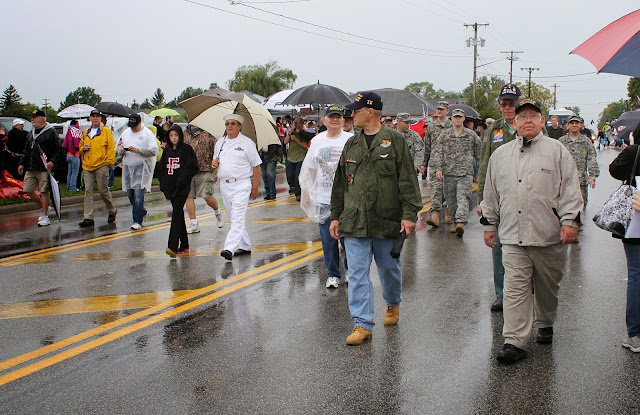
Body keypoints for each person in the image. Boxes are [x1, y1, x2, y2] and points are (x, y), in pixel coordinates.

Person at [480, 98, 583, 364]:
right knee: (514, 288)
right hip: (512, 236)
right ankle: (514, 341)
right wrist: (489, 224)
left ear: (541, 121)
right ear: (514, 123)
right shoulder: (500, 155)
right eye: (523, 116)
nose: (528, 120)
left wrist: (570, 221)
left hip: (548, 235)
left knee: (548, 288)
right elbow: (491, 193)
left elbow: (571, 189)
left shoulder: (557, 151)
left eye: (533, 116)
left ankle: (545, 321)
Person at [329, 91, 423, 345]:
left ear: (370, 112)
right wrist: (336, 216)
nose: (351, 115)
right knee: (357, 273)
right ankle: (362, 323)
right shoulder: (352, 144)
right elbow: (340, 184)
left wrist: (409, 215)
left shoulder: (395, 141)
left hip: (386, 219)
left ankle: (392, 302)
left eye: (356, 111)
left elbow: (407, 180)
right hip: (355, 220)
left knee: (389, 270)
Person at [476, 83, 522, 312]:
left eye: (511, 103)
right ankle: (502, 294)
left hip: (527, 195)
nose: (507, 108)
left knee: (527, 246)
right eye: (503, 104)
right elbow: (485, 164)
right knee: (499, 247)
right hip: (501, 197)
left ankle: (526, 292)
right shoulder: (494, 130)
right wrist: (482, 201)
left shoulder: (529, 125)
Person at [299, 105, 353, 289]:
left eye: (338, 117)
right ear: (324, 120)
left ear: (343, 120)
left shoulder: (350, 140)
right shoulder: (317, 141)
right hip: (323, 198)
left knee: (348, 239)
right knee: (328, 240)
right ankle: (333, 274)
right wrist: (307, 194)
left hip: (347, 198)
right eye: (331, 117)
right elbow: (310, 169)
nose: (335, 120)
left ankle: (350, 271)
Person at [213, 114, 261, 260]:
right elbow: (216, 163)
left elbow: (256, 166)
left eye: (233, 123)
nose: (229, 126)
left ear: (239, 126)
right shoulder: (220, 143)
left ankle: (229, 248)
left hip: (241, 184)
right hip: (225, 185)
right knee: (234, 217)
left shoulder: (247, 143)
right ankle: (245, 245)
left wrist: (255, 187)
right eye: (227, 123)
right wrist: (214, 164)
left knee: (237, 217)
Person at [609, 126, 640, 352]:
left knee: (636, 275)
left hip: (635, 223)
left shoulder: (634, 151)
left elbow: (614, 170)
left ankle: (635, 333)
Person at [432, 108, 482, 236]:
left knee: (463, 197)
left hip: (465, 172)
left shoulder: (471, 135)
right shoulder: (445, 135)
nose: (458, 119)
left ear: (464, 118)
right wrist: (438, 169)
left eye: (460, 117)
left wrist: (479, 172)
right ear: (452, 118)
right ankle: (455, 221)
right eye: (456, 117)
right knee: (451, 200)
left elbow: (479, 154)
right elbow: (438, 152)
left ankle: (461, 222)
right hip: (449, 172)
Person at [159, 125, 199, 257]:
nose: (174, 138)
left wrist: (182, 179)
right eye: (171, 136)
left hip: (182, 188)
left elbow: (193, 167)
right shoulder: (167, 150)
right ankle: (185, 245)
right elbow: (161, 169)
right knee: (179, 214)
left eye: (176, 135)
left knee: (176, 213)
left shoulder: (186, 149)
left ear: (180, 136)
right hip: (170, 187)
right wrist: (163, 183)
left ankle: (172, 246)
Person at [18, 110, 61, 227]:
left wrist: (52, 161)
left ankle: (45, 216)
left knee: (44, 191)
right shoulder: (31, 132)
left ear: (42, 119)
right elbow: (26, 149)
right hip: (31, 166)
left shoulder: (50, 131)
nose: (32, 119)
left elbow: (57, 149)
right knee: (27, 189)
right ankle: (45, 207)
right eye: (32, 117)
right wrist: (22, 163)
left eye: (35, 117)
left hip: (44, 168)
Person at [117, 113, 158, 230]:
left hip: (142, 167)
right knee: (130, 193)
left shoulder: (147, 134)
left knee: (138, 194)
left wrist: (139, 150)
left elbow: (153, 151)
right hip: (128, 167)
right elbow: (118, 147)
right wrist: (121, 151)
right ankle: (142, 211)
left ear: (140, 123)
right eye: (131, 126)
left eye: (135, 126)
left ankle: (137, 220)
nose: (133, 128)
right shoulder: (125, 133)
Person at [78, 110, 117, 227]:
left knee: (103, 190)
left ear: (100, 119)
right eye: (93, 116)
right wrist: (83, 149)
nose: (95, 119)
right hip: (87, 165)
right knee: (88, 191)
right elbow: (80, 147)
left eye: (97, 117)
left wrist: (110, 162)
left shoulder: (105, 131)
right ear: (90, 118)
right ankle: (88, 217)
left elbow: (111, 147)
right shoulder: (86, 132)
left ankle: (112, 210)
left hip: (101, 164)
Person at [183, 126, 225, 233]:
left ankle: (218, 213)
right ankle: (194, 223)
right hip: (188, 170)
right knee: (189, 196)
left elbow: (217, 150)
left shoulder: (208, 133)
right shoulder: (185, 133)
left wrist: (216, 161)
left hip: (204, 169)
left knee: (207, 195)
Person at [559, 115, 599, 208]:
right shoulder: (562, 141)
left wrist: (592, 176)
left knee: (581, 207)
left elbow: (592, 158)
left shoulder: (586, 141)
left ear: (580, 125)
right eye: (572, 123)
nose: (574, 125)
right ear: (568, 125)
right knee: (564, 208)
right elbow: (555, 159)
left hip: (581, 181)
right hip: (565, 181)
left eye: (576, 123)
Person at [425, 101, 453, 227]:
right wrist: (424, 163)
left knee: (448, 188)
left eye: (442, 109)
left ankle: (448, 213)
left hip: (449, 163)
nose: (440, 111)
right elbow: (427, 146)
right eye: (438, 109)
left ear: (447, 110)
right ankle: (435, 215)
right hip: (435, 162)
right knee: (436, 189)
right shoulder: (431, 127)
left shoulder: (452, 126)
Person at [285, 117, 313, 201]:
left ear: (302, 124)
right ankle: (293, 187)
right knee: (290, 175)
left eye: (297, 123)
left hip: (300, 157)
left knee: (298, 176)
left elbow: (305, 145)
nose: (295, 125)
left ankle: (298, 194)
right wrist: (289, 134)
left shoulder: (304, 134)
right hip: (291, 157)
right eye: (294, 123)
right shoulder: (292, 132)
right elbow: (285, 142)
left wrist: (296, 139)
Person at [62, 120, 82, 192]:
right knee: (75, 173)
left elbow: (64, 144)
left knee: (69, 173)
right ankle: (72, 187)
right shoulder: (76, 132)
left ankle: (68, 186)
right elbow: (76, 145)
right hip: (75, 155)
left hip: (68, 154)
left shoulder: (69, 131)